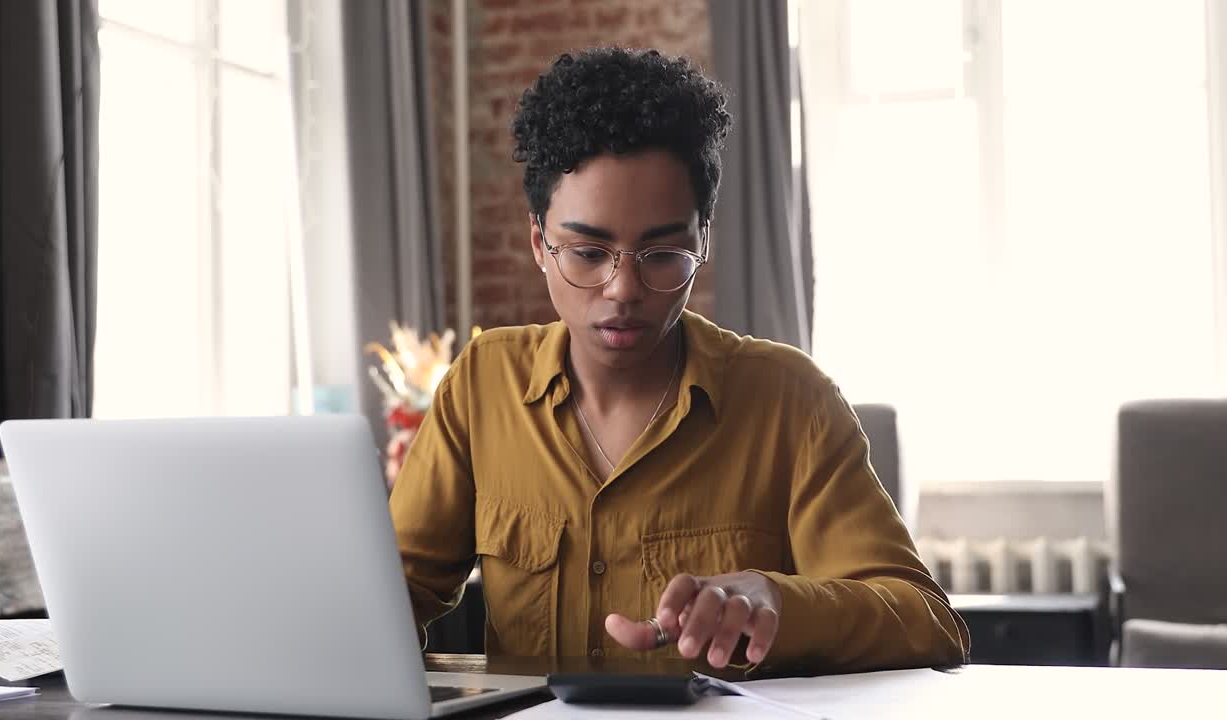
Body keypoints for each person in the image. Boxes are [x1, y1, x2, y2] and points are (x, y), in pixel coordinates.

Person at [389, 47, 969, 674]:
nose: (623, 290)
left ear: (704, 239)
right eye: (587, 252)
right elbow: (386, 600)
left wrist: (774, 598)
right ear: (539, 242)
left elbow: (926, 622)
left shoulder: (789, 400)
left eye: (662, 254)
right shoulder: (483, 385)